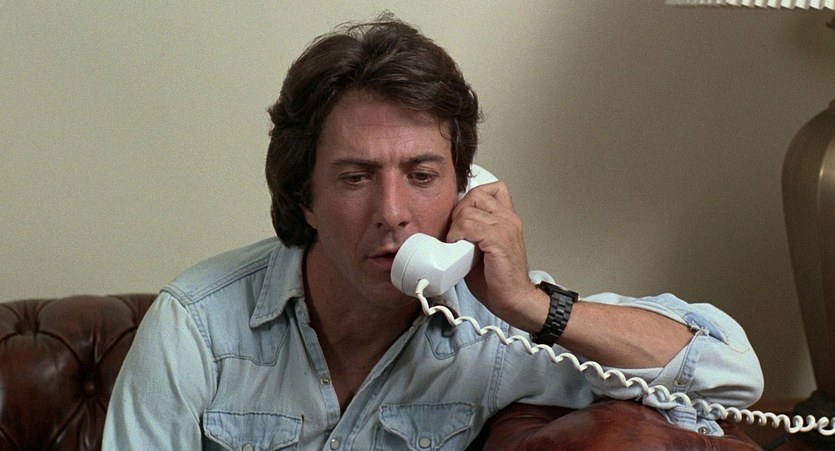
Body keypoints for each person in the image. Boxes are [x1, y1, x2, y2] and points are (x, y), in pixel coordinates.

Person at [103, 15, 763, 450]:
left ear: (466, 188)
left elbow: (731, 374)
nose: (392, 210)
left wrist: (531, 305)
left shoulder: (495, 330)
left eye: (421, 175)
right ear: (305, 197)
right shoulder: (197, 326)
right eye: (355, 177)